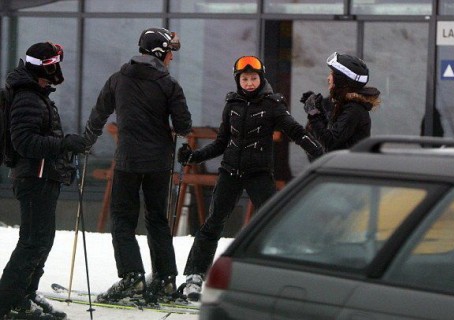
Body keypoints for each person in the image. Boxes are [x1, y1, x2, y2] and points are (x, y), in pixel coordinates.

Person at [176, 55, 324, 301]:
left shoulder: (273, 104)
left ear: (261, 78)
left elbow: (295, 130)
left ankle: (279, 279)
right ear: (238, 80)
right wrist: (194, 157)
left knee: (273, 223)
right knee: (213, 223)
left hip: (259, 175)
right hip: (230, 172)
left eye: (253, 78)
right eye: (244, 78)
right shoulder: (232, 104)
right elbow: (221, 142)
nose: (249, 82)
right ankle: (194, 276)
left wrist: (317, 151)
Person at [82, 27, 192, 305]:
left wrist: (86, 141)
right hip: (158, 163)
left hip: (128, 160)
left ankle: (132, 277)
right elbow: (183, 126)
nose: (172, 59)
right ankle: (166, 280)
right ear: (159, 52)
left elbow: (99, 114)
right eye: (170, 53)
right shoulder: (169, 84)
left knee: (123, 219)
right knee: (157, 219)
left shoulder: (118, 79)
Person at [0, 42, 87, 319]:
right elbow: (24, 142)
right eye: (53, 65)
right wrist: (63, 144)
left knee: (42, 240)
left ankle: (24, 295)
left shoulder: (37, 95)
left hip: (43, 177)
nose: (57, 70)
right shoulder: (27, 97)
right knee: (32, 242)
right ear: (43, 67)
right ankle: (8, 303)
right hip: (33, 178)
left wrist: (64, 149)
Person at [301, 52, 381, 152]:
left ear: (341, 79)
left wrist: (313, 114)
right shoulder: (345, 105)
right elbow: (328, 135)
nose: (328, 78)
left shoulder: (353, 110)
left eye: (332, 74)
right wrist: (318, 110)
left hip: (348, 166)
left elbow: (330, 142)